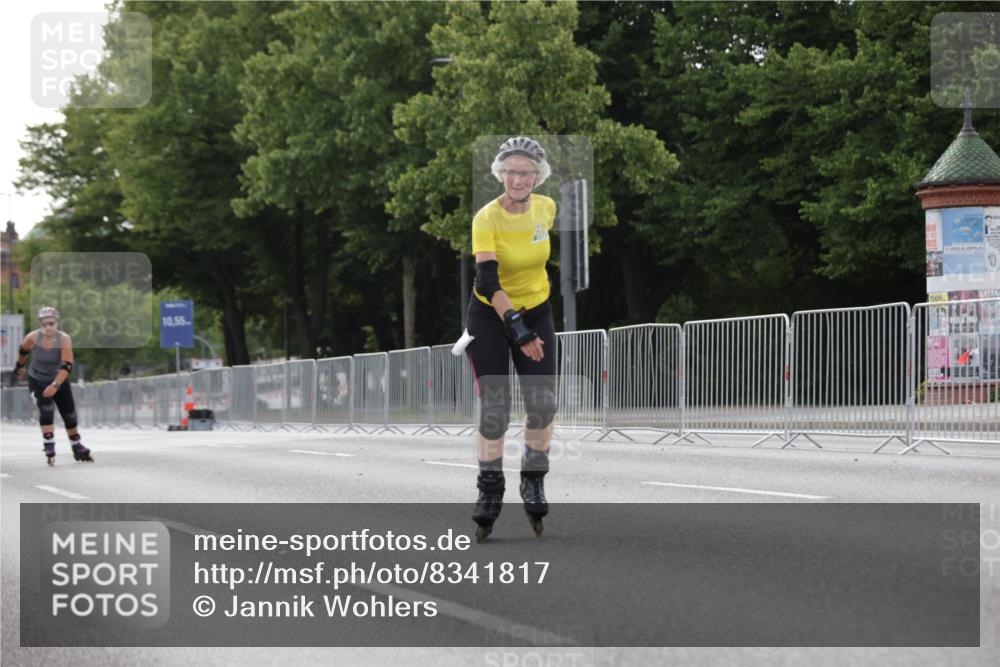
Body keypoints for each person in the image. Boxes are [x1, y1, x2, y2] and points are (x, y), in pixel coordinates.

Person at [466, 136, 557, 541]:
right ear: (500, 173)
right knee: (495, 409)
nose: (518, 178)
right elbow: (487, 279)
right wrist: (516, 329)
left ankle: (533, 479)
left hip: (537, 310)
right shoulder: (486, 218)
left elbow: (536, 258)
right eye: (511, 171)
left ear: (538, 175)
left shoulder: (547, 209)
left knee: (542, 404)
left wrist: (528, 322)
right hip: (490, 313)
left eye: (526, 171)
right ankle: (490, 490)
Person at [13, 307, 94, 465]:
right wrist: (18, 367)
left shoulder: (63, 339)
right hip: (37, 379)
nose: (48, 327)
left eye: (51, 323)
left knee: (69, 413)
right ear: (40, 325)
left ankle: (76, 446)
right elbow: (23, 351)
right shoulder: (33, 337)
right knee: (47, 410)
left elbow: (67, 366)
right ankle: (49, 444)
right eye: (44, 324)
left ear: (57, 323)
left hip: (58, 378)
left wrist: (55, 385)